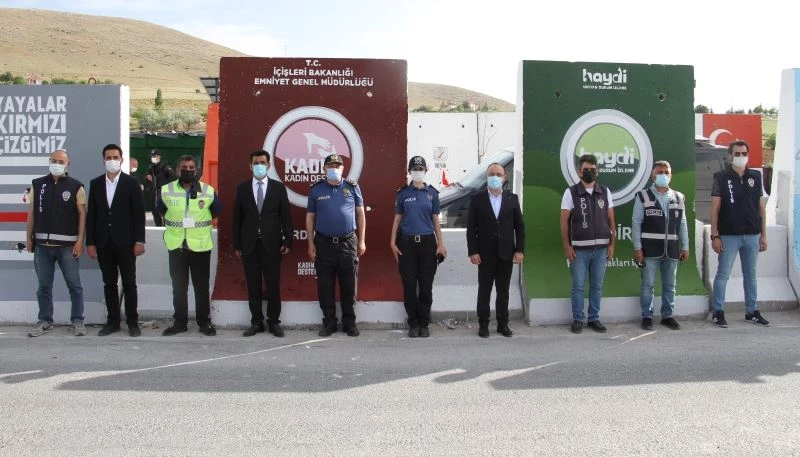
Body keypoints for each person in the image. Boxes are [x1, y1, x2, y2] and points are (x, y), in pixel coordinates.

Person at [86, 144, 146, 337]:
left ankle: (133, 322)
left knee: (129, 283)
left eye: (115, 157)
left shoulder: (131, 183)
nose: (112, 160)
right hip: (104, 242)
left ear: (121, 159)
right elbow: (92, 215)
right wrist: (90, 242)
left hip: (126, 242)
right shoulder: (96, 183)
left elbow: (139, 214)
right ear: (103, 160)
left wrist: (139, 241)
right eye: (108, 157)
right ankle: (113, 322)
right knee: (109, 283)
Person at [25, 149, 87, 337]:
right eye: (54, 160)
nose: (57, 164)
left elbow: (82, 215)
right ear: (49, 161)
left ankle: (78, 321)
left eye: (61, 161)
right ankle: (45, 320)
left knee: (74, 286)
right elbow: (31, 213)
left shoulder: (76, 186)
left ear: (68, 164)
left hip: (68, 247)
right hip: (42, 247)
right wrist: (29, 238)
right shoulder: (38, 184)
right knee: (43, 287)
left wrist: (80, 241)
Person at [158, 155, 221, 336]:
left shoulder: (207, 191)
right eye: (184, 168)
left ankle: (204, 323)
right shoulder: (166, 190)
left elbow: (216, 211)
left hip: (200, 247)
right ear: (178, 170)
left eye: (191, 168)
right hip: (177, 246)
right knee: (179, 288)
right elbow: (161, 210)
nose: (188, 171)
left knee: (201, 288)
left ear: (196, 170)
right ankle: (180, 323)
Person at [233, 150, 293, 337]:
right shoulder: (242, 188)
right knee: (253, 285)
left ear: (268, 165)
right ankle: (256, 322)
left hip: (272, 244)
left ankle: (274, 322)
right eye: (256, 163)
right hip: (249, 245)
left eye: (262, 162)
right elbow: (237, 219)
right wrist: (237, 245)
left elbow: (286, 216)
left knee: (273, 284)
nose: (259, 166)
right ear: (250, 166)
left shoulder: (278, 188)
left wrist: (288, 241)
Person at [710, 140, 769, 328]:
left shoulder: (755, 176)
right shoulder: (721, 177)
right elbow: (715, 209)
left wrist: (764, 234)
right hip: (728, 235)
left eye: (744, 153)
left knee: (751, 275)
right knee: (723, 275)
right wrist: (715, 235)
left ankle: (752, 311)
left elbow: (761, 207)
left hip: (752, 234)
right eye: (737, 153)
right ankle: (718, 312)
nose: (741, 156)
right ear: (730, 155)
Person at [306, 153, 366, 337]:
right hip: (323, 243)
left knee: (349, 286)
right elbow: (310, 217)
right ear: (324, 169)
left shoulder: (352, 187)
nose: (333, 169)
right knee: (325, 286)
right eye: (330, 166)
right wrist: (310, 243)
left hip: (348, 242)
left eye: (337, 166)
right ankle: (329, 323)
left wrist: (362, 240)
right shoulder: (316, 189)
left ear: (343, 168)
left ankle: (350, 323)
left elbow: (360, 214)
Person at [390, 156, 447, 338]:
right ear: (409, 171)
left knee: (425, 287)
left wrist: (441, 244)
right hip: (406, 244)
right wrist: (392, 242)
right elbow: (397, 218)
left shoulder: (432, 193)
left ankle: (424, 324)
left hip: (428, 244)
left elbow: (435, 220)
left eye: (420, 169)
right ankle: (413, 324)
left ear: (425, 171)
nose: (417, 172)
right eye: (414, 169)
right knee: (409, 286)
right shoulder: (403, 193)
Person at [466, 163, 525, 338]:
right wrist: (473, 251)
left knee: (503, 291)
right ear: (487, 177)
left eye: (499, 174)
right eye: (492, 174)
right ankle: (483, 324)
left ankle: (502, 324)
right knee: (484, 290)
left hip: (506, 253)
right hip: (484, 254)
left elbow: (519, 227)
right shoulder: (477, 199)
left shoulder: (512, 199)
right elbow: (471, 229)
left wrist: (519, 250)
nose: (495, 177)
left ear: (504, 177)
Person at [560, 154, 616, 334]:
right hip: (579, 250)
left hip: (601, 250)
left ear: (597, 171)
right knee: (578, 286)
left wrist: (612, 244)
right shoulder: (570, 192)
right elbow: (564, 222)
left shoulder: (605, 192)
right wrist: (567, 246)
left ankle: (594, 318)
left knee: (597, 286)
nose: (589, 172)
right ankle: (578, 319)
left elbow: (611, 220)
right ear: (579, 171)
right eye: (586, 169)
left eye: (592, 169)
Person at [632, 160, 689, 331]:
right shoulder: (643, 196)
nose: (663, 175)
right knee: (648, 285)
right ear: (653, 175)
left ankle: (667, 316)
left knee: (670, 285)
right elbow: (636, 223)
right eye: (659, 172)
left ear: (670, 175)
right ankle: (647, 316)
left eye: (666, 172)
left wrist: (685, 247)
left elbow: (683, 224)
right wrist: (637, 248)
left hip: (672, 250)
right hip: (649, 250)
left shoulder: (678, 197)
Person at [145, 148, 174, 227]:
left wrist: (158, 178)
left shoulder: (165, 166)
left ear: (159, 156)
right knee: (155, 211)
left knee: (164, 211)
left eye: (154, 156)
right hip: (154, 192)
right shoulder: (151, 167)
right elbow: (148, 176)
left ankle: (166, 226)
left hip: (163, 192)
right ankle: (158, 226)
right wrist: (148, 177)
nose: (153, 158)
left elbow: (172, 175)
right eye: (152, 156)